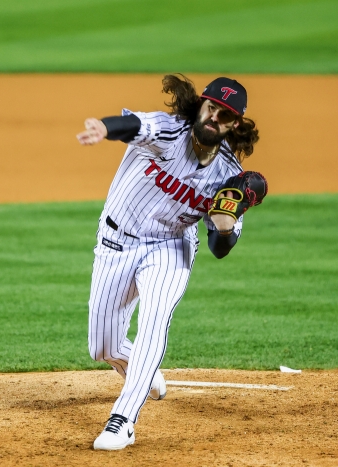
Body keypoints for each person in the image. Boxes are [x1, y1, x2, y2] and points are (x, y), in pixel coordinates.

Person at [76, 74, 262, 451]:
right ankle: (142, 372)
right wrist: (104, 127)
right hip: (116, 241)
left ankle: (123, 420)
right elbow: (133, 125)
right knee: (103, 348)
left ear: (235, 124)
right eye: (212, 108)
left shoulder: (228, 176)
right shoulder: (168, 131)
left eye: (225, 115)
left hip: (169, 249)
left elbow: (219, 248)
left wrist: (225, 226)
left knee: (153, 322)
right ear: (201, 105)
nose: (215, 118)